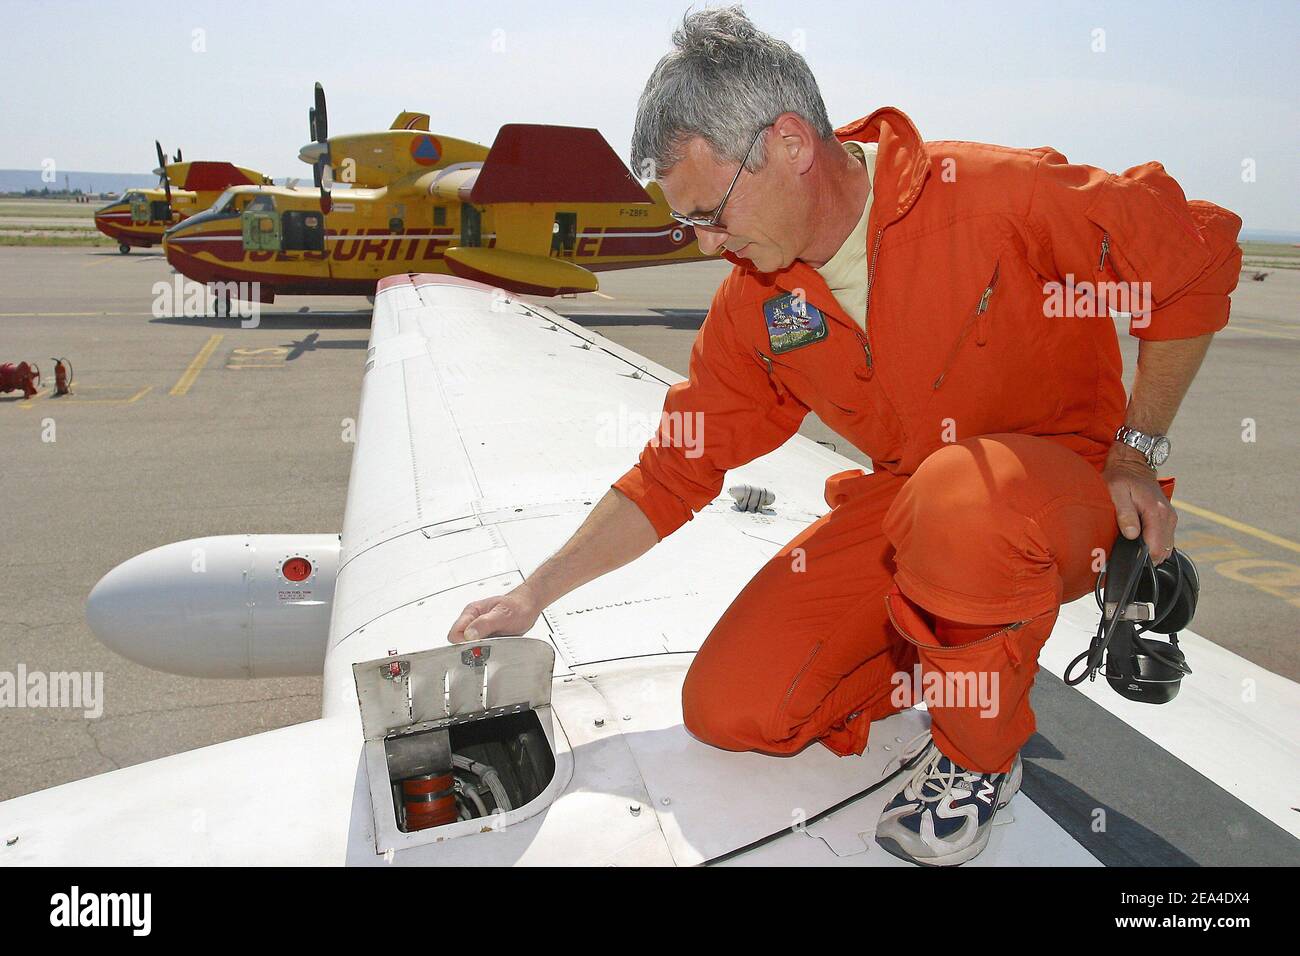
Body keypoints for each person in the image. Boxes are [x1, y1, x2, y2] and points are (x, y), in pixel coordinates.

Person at [448, 5, 1242, 866]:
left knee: (959, 505)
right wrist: (535, 595)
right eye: (689, 226)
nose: (710, 245)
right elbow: (673, 472)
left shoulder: (990, 196)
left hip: (1067, 495)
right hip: (917, 509)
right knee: (733, 708)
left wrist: (1137, 454)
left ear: (790, 143)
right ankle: (948, 647)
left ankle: (978, 757)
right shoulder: (759, 305)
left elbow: (1191, 263)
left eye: (711, 211)